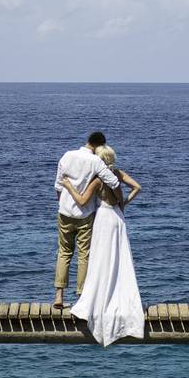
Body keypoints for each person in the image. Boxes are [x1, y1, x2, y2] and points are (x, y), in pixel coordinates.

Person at [60, 144, 144, 347]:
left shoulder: (97, 180)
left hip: (103, 220)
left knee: (100, 261)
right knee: (119, 259)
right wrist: (124, 204)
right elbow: (137, 188)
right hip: (117, 217)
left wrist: (69, 186)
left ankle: (96, 297)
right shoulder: (116, 174)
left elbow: (81, 201)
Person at [53, 131, 122, 310]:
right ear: (99, 146)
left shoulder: (67, 156)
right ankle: (81, 297)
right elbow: (114, 183)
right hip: (85, 214)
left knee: (64, 253)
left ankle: (59, 296)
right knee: (84, 255)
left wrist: (63, 203)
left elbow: (58, 186)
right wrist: (119, 203)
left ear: (87, 141)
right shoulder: (96, 161)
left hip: (65, 212)